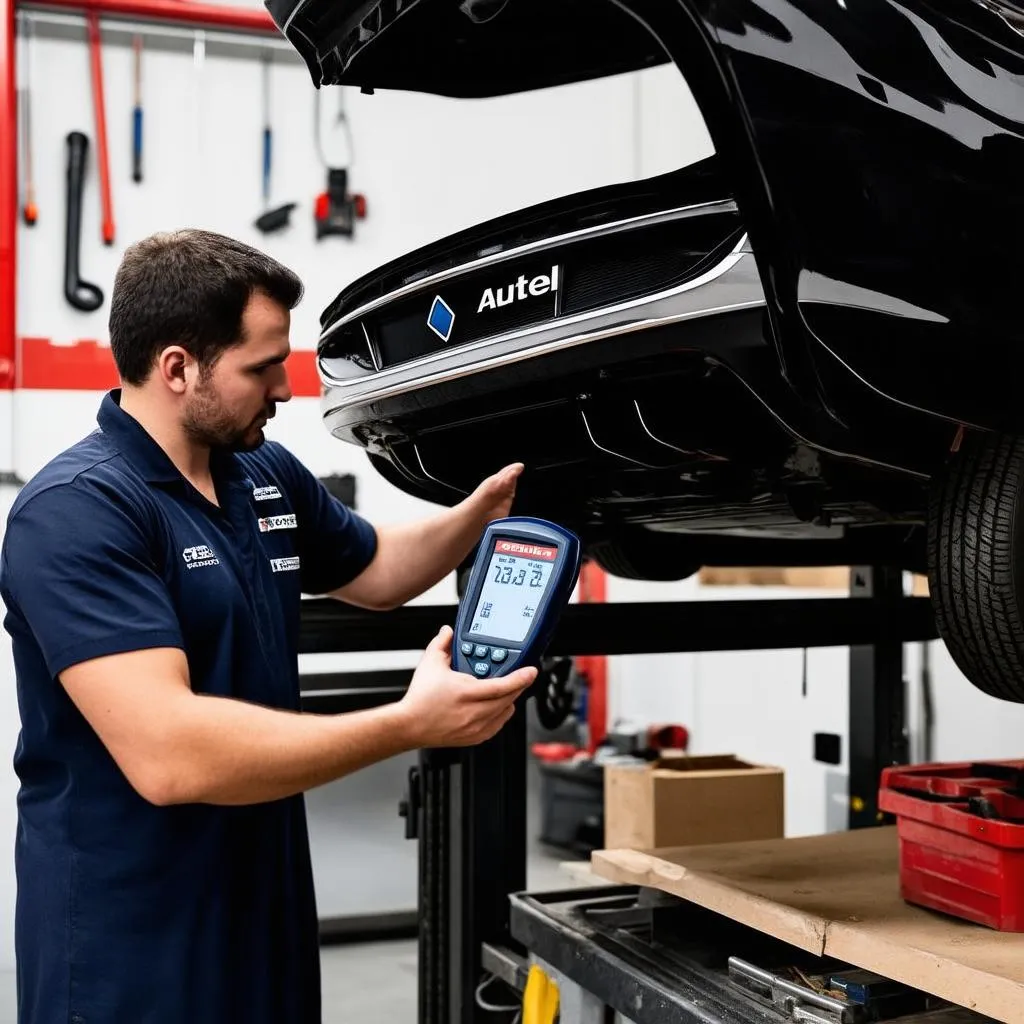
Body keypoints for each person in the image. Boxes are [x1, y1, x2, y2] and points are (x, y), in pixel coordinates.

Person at [0, 229, 537, 1024]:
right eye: (262, 367)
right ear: (178, 368)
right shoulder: (76, 511)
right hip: (133, 937)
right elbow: (169, 756)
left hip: (264, 905)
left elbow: (379, 570)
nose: (286, 389)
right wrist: (406, 724)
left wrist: (479, 513)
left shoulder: (261, 472)